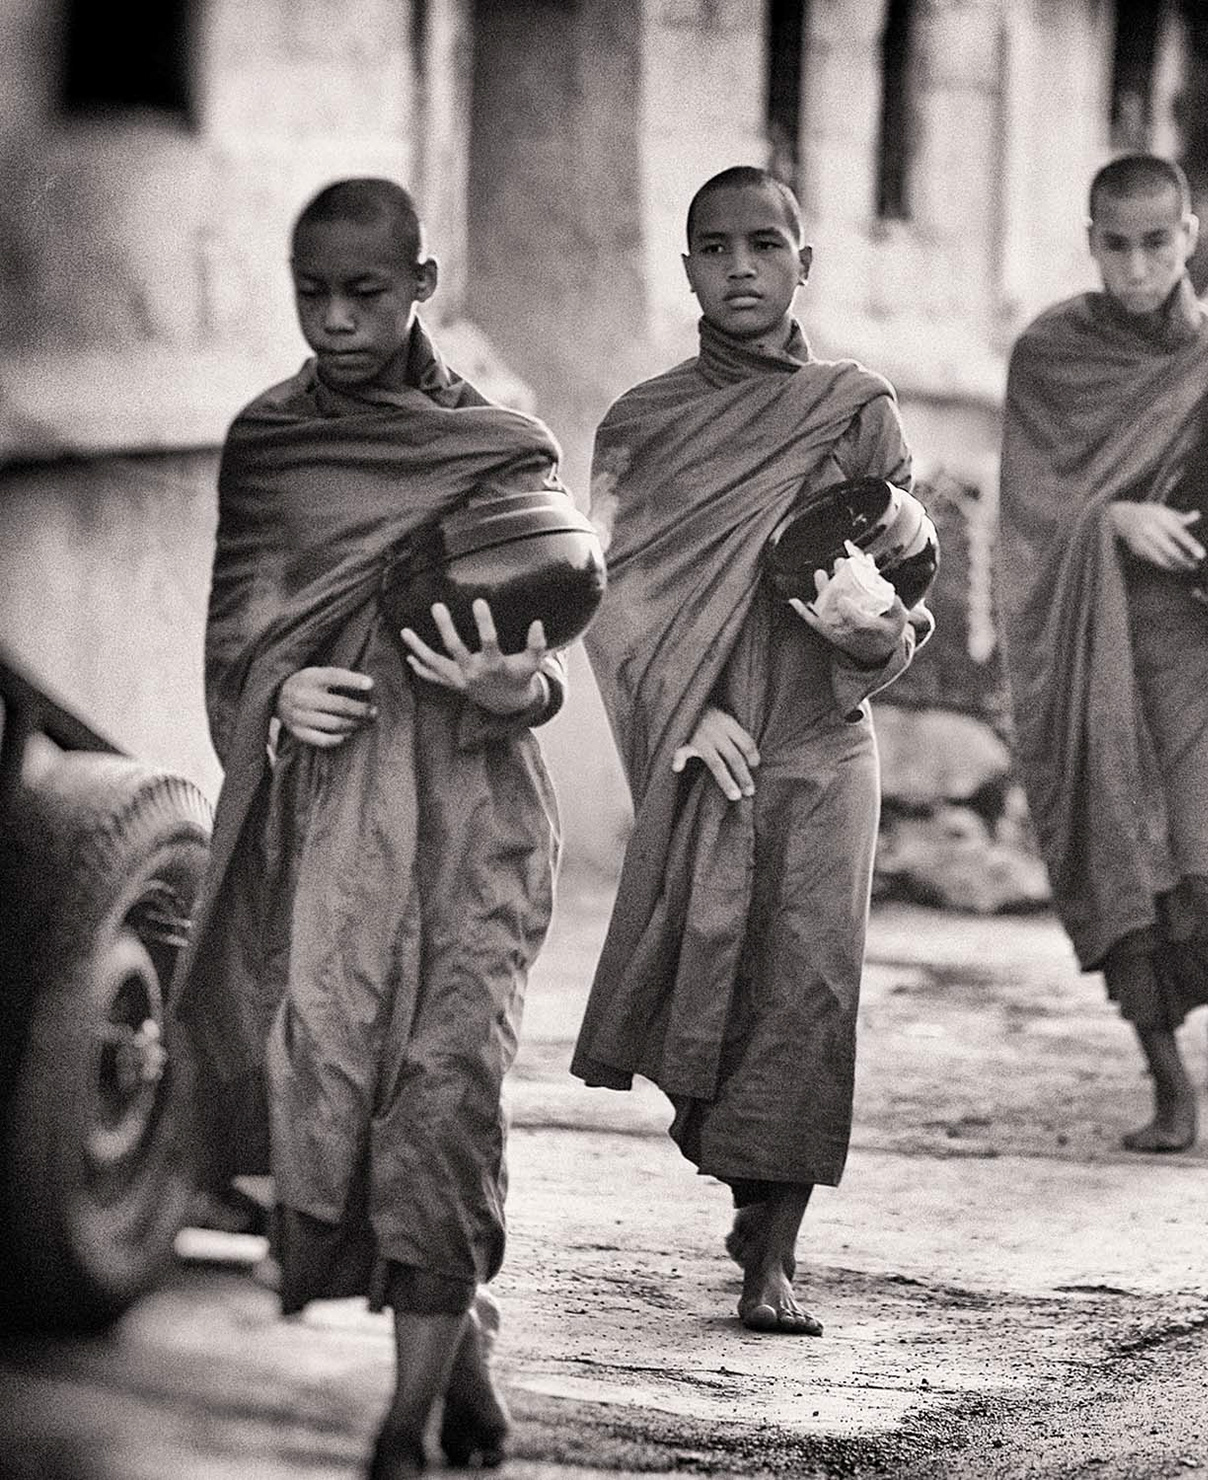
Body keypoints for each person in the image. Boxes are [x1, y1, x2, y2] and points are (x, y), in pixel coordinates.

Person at [174, 179, 568, 1479]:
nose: (339, 321)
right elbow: (234, 638)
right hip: (338, 830)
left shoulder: (501, 445)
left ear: (422, 283)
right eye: (314, 293)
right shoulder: (269, 443)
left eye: (367, 292)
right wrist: (277, 690)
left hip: (476, 820)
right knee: (345, 1099)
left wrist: (526, 688)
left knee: (448, 1100)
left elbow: (558, 632)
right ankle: (461, 1354)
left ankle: (399, 1431)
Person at [573, 166, 930, 1336]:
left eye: (766, 244)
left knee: (810, 993)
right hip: (706, 755)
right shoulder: (643, 423)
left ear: (803, 264)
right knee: (700, 984)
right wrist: (686, 712)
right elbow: (610, 598)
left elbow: (904, 571)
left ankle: (774, 1252)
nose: (741, 266)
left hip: (824, 740)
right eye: (716, 248)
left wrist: (882, 624)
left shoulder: (855, 405)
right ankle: (743, 1179)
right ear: (686, 270)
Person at [997, 152, 1208, 1151]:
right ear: (1090, 245)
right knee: (1121, 851)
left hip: (1195, 637)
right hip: (1090, 638)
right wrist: (1112, 517)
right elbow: (1032, 512)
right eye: (1115, 247)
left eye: (1156, 244)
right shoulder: (1049, 353)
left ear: (1191, 238)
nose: (1135, 268)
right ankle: (1165, 1081)